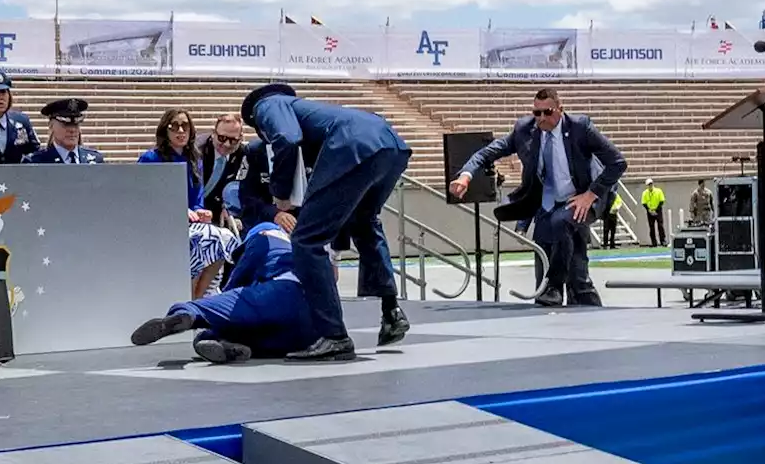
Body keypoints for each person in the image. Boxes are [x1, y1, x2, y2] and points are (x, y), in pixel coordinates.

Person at [240, 82, 412, 361]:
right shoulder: (313, 115)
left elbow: (285, 137)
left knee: (305, 241)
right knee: (364, 221)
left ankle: (334, 336)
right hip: (391, 144)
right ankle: (391, 311)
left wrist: (280, 194)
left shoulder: (267, 105)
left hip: (355, 145)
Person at [450, 87, 626, 307]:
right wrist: (466, 175)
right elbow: (489, 152)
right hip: (546, 204)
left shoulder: (581, 127)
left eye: (548, 112)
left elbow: (618, 163)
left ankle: (554, 286)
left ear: (560, 110)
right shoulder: (525, 130)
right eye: (537, 113)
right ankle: (556, 300)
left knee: (560, 223)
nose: (542, 118)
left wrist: (591, 194)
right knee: (571, 276)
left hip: (581, 200)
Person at [130, 222, 321, 364]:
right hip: (310, 326)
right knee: (266, 335)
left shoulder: (264, 237)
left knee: (203, 312)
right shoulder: (298, 249)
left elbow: (235, 287)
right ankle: (226, 344)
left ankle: (183, 315)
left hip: (279, 292)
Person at [22, 98, 104, 164]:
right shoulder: (36, 162)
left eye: (76, 124)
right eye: (66, 124)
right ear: (51, 126)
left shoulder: (95, 160)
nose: (72, 130)